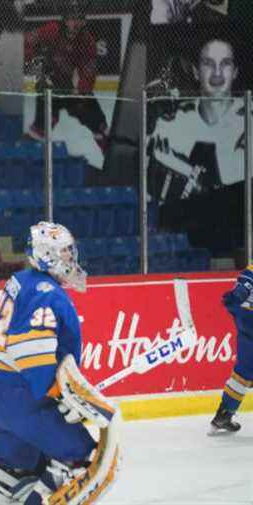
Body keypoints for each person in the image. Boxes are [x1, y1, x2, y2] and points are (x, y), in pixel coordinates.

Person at [0, 222, 120, 505]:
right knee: (78, 455)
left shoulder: (24, 280)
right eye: (65, 253)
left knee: (11, 466)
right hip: (22, 399)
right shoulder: (46, 292)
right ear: (47, 255)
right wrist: (55, 392)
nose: (71, 259)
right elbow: (30, 349)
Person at [148, 37, 248, 255]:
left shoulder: (248, 118)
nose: (217, 73)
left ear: (236, 72)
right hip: (192, 237)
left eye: (226, 64)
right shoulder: (172, 124)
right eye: (208, 64)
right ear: (195, 71)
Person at [23, 2, 108, 153]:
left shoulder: (88, 42)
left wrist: (82, 92)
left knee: (99, 123)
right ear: (64, 20)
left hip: (69, 84)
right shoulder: (52, 29)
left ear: (84, 22)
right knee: (44, 120)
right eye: (72, 19)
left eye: (79, 20)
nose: (75, 24)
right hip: (47, 78)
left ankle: (107, 147)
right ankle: (34, 141)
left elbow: (88, 72)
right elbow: (26, 41)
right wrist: (38, 71)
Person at [209, 264, 253, 434]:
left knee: (242, 374)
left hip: (246, 328)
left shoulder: (250, 270)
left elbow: (239, 293)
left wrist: (234, 300)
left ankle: (223, 415)